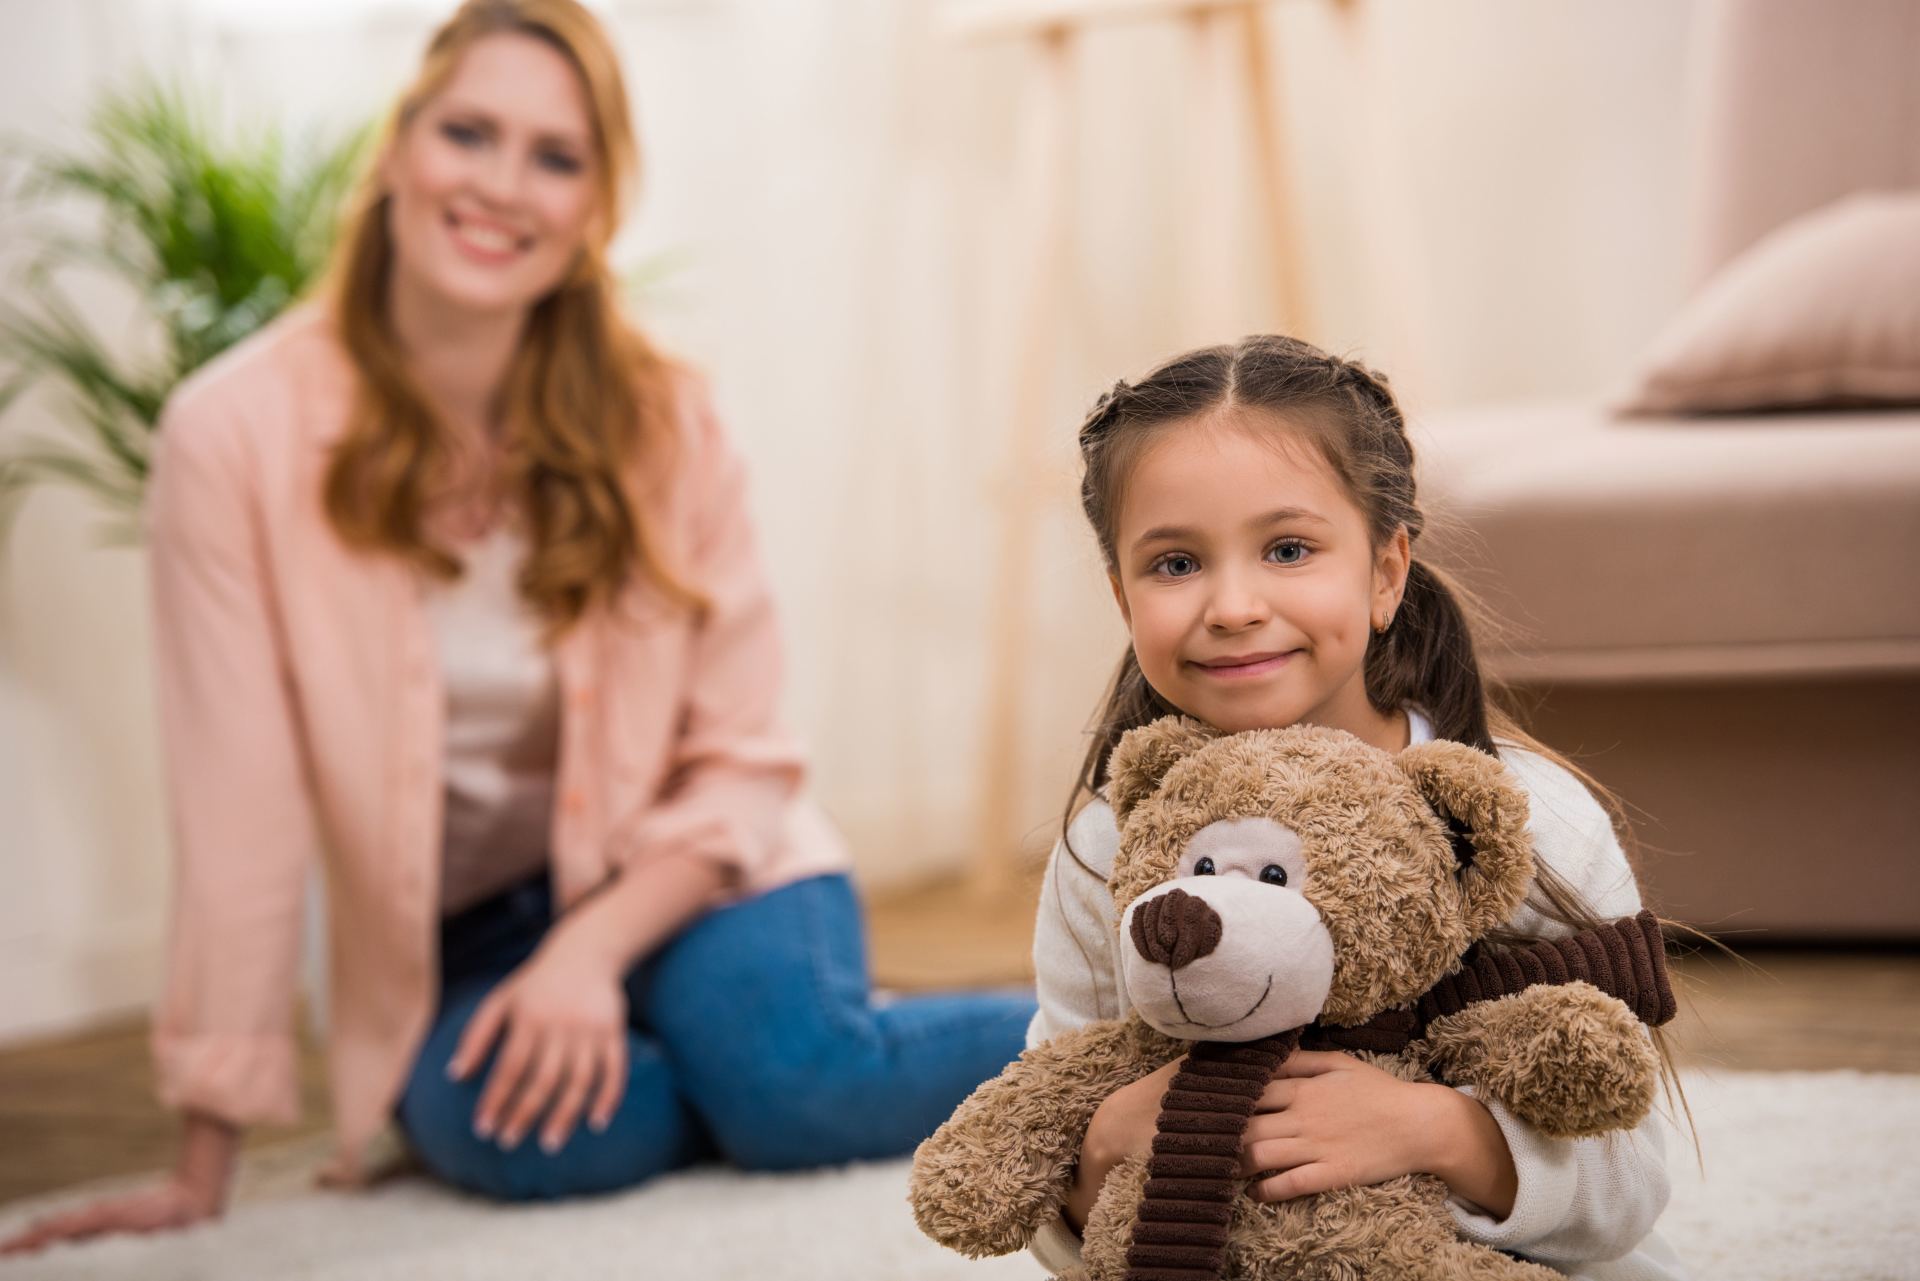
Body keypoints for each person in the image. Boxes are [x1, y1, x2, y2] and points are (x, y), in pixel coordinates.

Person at [0, 0, 1031, 1254]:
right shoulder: (232, 437)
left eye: (557, 156)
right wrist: (205, 1155)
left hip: (695, 867)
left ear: (597, 205)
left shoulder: (667, 419)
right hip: (461, 932)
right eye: (469, 133)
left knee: (796, 1080)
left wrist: (589, 954)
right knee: (533, 1137)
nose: (502, 185)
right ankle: (728, 1053)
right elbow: (239, 810)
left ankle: (1106, 1031)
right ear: (397, 150)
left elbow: (744, 754)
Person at [1025, 335, 1688, 1279]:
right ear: (1121, 595)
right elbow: (1052, 1168)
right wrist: (1103, 1148)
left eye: (1288, 549)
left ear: (1385, 572)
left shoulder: (1530, 822)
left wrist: (1439, 1132)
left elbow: (1625, 1186)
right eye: (1175, 564)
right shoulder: (1107, 844)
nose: (1233, 603)